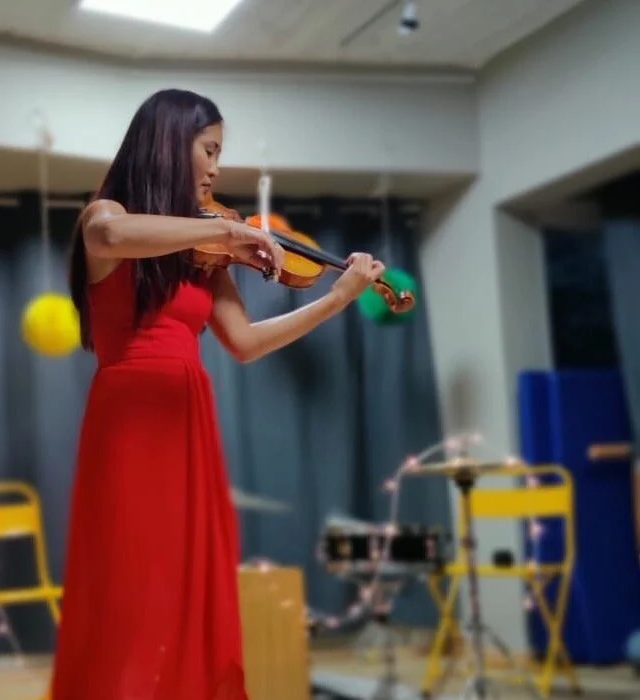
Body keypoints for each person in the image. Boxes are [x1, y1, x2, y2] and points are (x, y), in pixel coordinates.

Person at [50, 88, 385, 700]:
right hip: (130, 417)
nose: (215, 168)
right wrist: (226, 231)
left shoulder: (205, 253)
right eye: (209, 149)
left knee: (189, 582)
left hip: (188, 416)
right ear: (169, 142)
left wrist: (337, 298)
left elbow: (245, 342)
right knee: (133, 582)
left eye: (218, 154)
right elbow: (109, 237)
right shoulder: (109, 213)